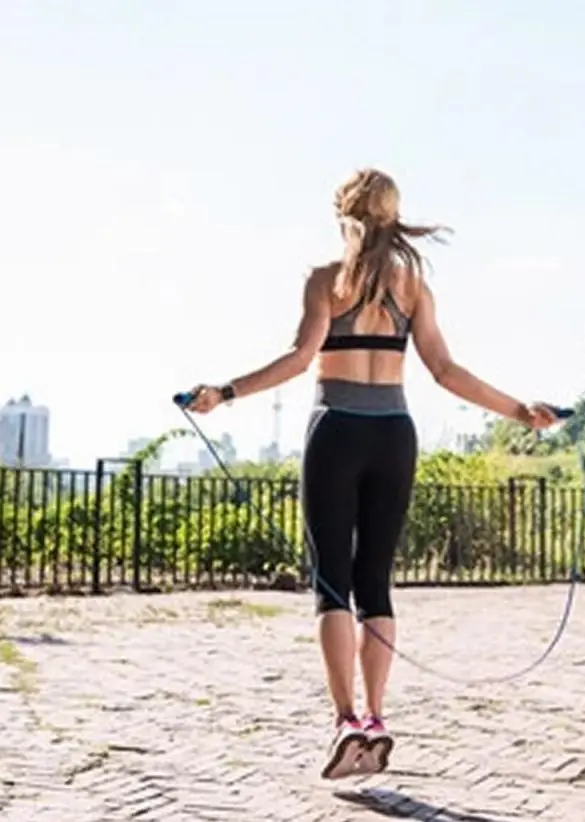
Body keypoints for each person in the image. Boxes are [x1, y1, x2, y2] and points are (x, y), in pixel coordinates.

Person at [184, 168, 559, 779]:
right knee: (375, 584)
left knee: (333, 583)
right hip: (394, 436)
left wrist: (223, 392)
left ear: (343, 217)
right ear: (393, 217)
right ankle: (378, 719)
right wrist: (520, 410)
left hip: (335, 430)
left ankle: (345, 721)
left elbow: (299, 359)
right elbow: (446, 370)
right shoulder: (413, 287)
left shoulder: (326, 281)